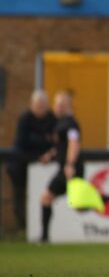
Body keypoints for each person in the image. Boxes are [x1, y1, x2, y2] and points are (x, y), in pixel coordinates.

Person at [7, 90, 56, 229]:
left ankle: (37, 228)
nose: (40, 108)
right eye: (38, 105)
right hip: (20, 167)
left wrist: (48, 150)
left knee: (43, 195)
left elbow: (56, 142)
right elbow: (23, 141)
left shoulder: (52, 119)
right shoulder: (25, 119)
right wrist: (44, 142)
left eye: (43, 105)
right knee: (20, 195)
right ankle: (23, 227)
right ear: (31, 105)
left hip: (45, 168)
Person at [40, 91, 84, 242]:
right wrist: (50, 154)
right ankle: (44, 237)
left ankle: (44, 238)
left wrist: (69, 164)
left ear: (67, 106)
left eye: (59, 105)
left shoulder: (70, 124)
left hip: (69, 169)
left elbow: (73, 144)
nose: (56, 107)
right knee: (78, 205)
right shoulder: (60, 123)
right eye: (55, 104)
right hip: (66, 168)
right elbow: (61, 145)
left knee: (48, 198)